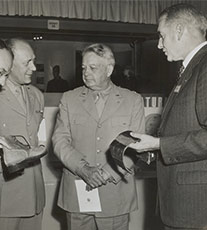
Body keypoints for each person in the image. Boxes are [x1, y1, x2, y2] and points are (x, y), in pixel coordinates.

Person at [129, 3, 207, 230]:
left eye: (162, 36)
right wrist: (156, 148)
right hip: (182, 202)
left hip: (196, 207)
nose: (160, 45)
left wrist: (160, 143)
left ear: (180, 30)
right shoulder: (192, 67)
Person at [52, 43, 145, 230]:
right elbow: (60, 140)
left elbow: (135, 145)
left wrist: (105, 173)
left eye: (93, 68)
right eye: (84, 68)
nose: (86, 73)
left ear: (109, 69)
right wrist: (83, 169)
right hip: (78, 193)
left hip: (115, 194)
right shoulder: (69, 99)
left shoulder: (133, 100)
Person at [0, 38, 45, 230]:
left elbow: (39, 138)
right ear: (10, 64)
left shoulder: (37, 95)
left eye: (33, 60)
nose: (34, 68)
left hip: (35, 191)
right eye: (27, 62)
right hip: (6, 195)